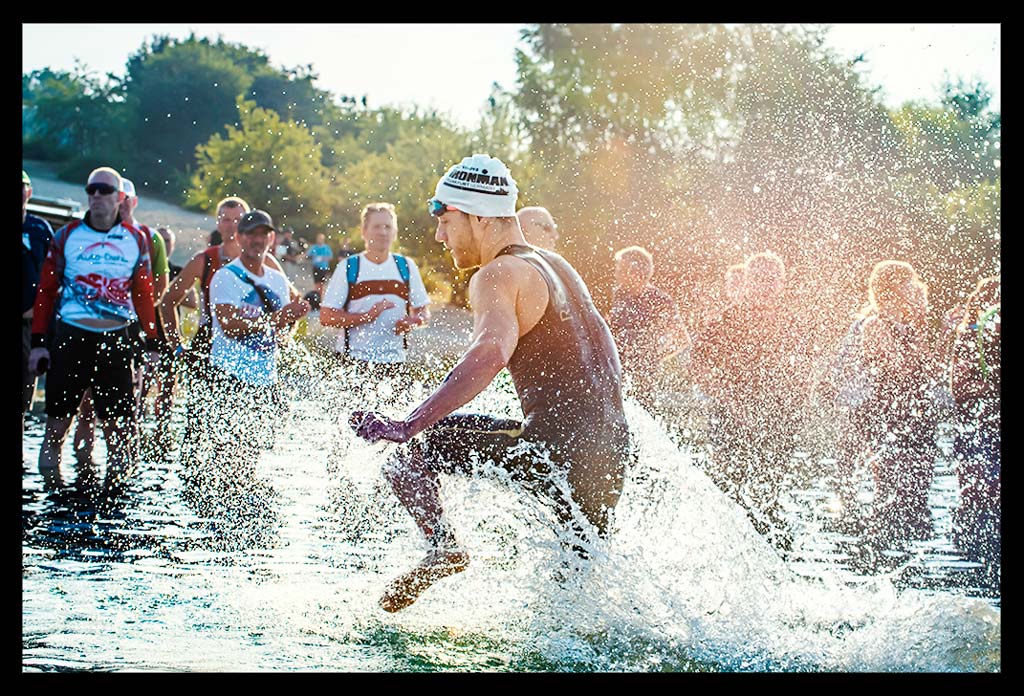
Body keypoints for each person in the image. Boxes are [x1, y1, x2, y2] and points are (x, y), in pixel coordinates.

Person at [350, 154, 632, 612]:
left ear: (477, 216)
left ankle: (444, 548)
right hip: (611, 451)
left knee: (407, 456)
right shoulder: (557, 265)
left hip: (556, 448)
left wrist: (410, 423)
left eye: (444, 219)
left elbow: (489, 353)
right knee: (578, 600)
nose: (439, 235)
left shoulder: (497, 273)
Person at [27, 166, 162, 498]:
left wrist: (153, 341)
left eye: (104, 191)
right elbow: (45, 292)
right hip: (72, 337)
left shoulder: (136, 238)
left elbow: (143, 295)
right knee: (56, 428)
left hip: (115, 340)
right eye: (91, 191)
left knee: (118, 430)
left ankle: (115, 501)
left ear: (119, 198)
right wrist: (39, 344)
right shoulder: (68, 236)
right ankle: (52, 497)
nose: (97, 197)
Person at [690, 251, 812, 550]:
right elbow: (698, 365)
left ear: (782, 283)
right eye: (759, 279)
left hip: (779, 421)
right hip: (731, 417)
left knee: (769, 489)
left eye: (772, 280)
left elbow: (805, 371)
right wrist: (729, 398)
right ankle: (730, 544)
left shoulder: (792, 323)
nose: (765, 286)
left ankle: (768, 548)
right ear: (747, 281)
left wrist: (796, 407)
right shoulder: (727, 319)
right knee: (732, 488)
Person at [194, 210, 310, 474]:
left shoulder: (278, 280)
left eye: (263, 234)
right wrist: (278, 318)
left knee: (250, 456)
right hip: (229, 376)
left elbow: (281, 334)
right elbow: (229, 326)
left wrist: (292, 319)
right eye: (251, 234)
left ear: (271, 239)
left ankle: (244, 493)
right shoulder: (226, 277)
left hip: (264, 380)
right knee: (225, 454)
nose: (257, 240)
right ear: (239, 238)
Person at [72, 177, 170, 462]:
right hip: (91, 327)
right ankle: (84, 464)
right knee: (86, 404)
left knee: (130, 401)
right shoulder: (90, 233)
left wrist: (126, 303)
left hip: (131, 328)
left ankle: (126, 464)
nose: (122, 204)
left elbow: (159, 290)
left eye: (127, 200)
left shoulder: (149, 237)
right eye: (119, 198)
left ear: (133, 202)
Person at [854, 261, 940, 546]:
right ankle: (885, 542)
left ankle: (915, 542)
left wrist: (939, 331)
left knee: (919, 487)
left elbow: (932, 369)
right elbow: (900, 369)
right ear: (892, 289)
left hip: (918, 412)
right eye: (909, 282)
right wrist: (923, 330)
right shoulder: (874, 324)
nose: (916, 287)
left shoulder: (913, 326)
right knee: (890, 486)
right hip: (887, 414)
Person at [320, 203, 430, 389]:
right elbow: (326, 317)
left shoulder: (406, 266)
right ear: (364, 231)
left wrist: (413, 321)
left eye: (388, 227)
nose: (383, 232)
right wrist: (366, 317)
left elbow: (423, 312)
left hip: (395, 363)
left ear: (395, 232)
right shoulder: (349, 267)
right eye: (377, 227)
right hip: (353, 362)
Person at [948, 276, 1000, 571]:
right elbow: (959, 387)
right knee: (979, 493)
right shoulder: (970, 335)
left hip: (987, 428)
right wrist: (989, 386)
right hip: (977, 428)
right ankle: (976, 548)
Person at [608, 245, 691, 413]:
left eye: (621, 269)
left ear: (635, 272)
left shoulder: (659, 301)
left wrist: (652, 355)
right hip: (616, 371)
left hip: (643, 378)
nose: (616, 274)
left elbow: (681, 339)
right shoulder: (619, 295)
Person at [22, 169, 54, 436]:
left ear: (29, 192)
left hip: (29, 325)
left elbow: (52, 277)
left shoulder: (39, 229)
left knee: (23, 398)